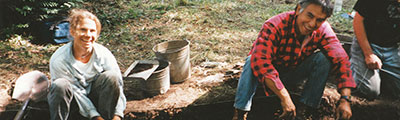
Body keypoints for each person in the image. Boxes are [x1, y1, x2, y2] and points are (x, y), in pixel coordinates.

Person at [232, 0, 356, 119]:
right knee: (252, 59)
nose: (312, 24)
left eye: (319, 20)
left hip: (292, 74)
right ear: (298, 10)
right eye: (309, 15)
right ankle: (240, 113)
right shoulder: (275, 25)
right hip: (263, 78)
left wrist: (345, 99)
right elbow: (261, 62)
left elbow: (341, 61)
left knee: (324, 59)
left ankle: (304, 111)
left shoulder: (323, 30)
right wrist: (284, 97)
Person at [48, 9, 126, 120]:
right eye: (83, 30)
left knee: (112, 76)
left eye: (92, 31)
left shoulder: (104, 54)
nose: (88, 35)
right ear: (72, 31)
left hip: (97, 100)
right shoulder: (59, 59)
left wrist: (117, 115)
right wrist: (95, 116)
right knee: (60, 85)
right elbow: (77, 93)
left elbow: (119, 86)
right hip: (72, 103)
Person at [350, 0, 400, 100]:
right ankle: (350, 69)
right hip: (368, 43)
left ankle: (381, 76)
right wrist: (368, 54)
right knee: (370, 90)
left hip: (392, 48)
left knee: (396, 91)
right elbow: (357, 21)